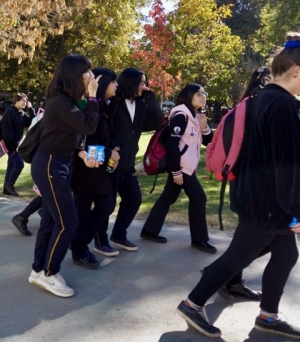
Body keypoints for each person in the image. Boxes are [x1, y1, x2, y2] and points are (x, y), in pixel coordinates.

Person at [176, 33, 300, 339]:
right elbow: (288, 164)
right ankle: (193, 303)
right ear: (296, 71)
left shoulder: (261, 98)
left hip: (256, 195)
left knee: (285, 255)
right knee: (237, 257)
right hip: (269, 202)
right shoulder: (284, 106)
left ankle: (268, 316)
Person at [29, 54, 100, 298]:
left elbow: (71, 134)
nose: (91, 77)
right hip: (50, 165)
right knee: (68, 222)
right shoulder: (59, 102)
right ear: (74, 75)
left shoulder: (65, 101)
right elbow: (89, 125)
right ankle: (49, 273)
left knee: (50, 221)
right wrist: (92, 96)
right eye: (87, 72)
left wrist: (80, 154)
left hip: (58, 163)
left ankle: (39, 270)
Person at [215, 67, 271, 300]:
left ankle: (230, 279)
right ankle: (219, 275)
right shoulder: (264, 106)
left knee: (256, 240)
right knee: (264, 240)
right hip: (258, 185)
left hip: (241, 181)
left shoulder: (244, 106)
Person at [140, 84, 216, 253]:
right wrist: (176, 172)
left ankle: (149, 230)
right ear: (188, 95)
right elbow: (172, 145)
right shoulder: (181, 115)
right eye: (199, 94)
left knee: (168, 197)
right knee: (199, 199)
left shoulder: (195, 116)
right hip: (181, 168)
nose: (203, 96)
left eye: (204, 93)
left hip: (187, 167)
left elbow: (209, 142)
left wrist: (204, 126)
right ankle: (200, 240)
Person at [97, 68, 161, 254]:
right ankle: (100, 239)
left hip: (128, 164)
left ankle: (119, 234)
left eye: (144, 82)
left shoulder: (141, 105)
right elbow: (102, 128)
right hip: (111, 162)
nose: (144, 85)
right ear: (131, 82)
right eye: (141, 82)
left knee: (134, 199)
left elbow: (155, 124)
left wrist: (151, 99)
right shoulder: (113, 103)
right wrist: (111, 145)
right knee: (107, 204)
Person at [70, 68, 121, 268]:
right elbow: (87, 138)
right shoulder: (89, 106)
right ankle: (79, 249)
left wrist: (113, 147)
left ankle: (78, 243)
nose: (116, 85)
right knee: (84, 209)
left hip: (99, 166)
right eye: (113, 82)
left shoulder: (105, 106)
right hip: (86, 166)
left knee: (106, 205)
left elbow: (105, 136)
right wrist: (110, 152)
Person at [0, 93, 36, 196]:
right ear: (16, 101)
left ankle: (6, 189)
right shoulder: (10, 112)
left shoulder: (21, 113)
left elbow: (32, 122)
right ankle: (10, 185)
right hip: (10, 145)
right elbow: (7, 132)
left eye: (25, 101)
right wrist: (13, 147)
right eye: (22, 101)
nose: (24, 102)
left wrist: (30, 109)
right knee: (19, 164)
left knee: (11, 165)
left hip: (15, 145)